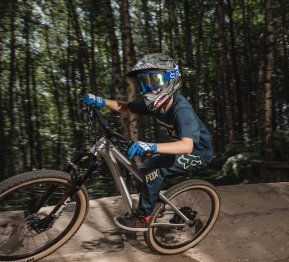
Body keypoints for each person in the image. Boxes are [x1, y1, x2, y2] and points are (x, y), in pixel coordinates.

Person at [83, 53, 214, 232]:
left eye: (154, 81)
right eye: (143, 83)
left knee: (154, 172)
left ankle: (143, 218)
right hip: (180, 149)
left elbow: (187, 145)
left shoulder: (181, 109)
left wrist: (150, 146)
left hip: (198, 152)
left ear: (170, 79)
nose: (148, 89)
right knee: (143, 171)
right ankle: (154, 207)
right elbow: (126, 107)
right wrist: (101, 101)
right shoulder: (156, 103)